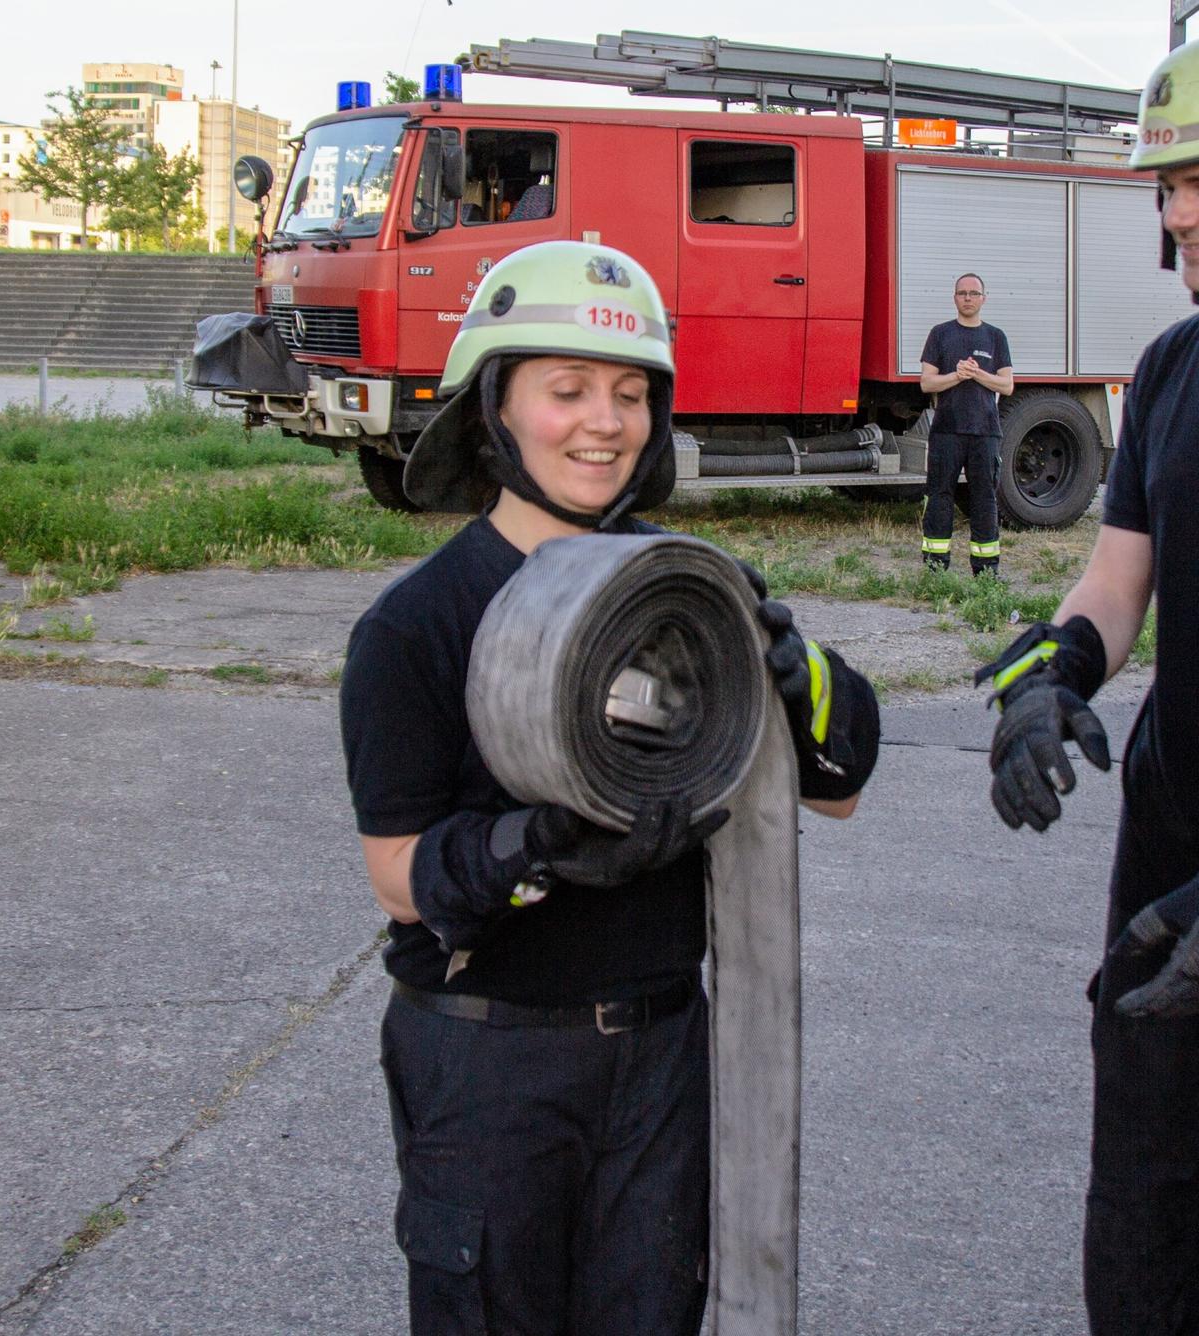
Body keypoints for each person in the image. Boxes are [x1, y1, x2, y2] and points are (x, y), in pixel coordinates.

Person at [338, 241, 879, 1335]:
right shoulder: (415, 625)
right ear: (495, 408)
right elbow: (398, 877)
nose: (605, 422)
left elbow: (836, 791)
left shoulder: (684, 586)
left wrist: (795, 671)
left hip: (661, 1055)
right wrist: (531, 852)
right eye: (568, 389)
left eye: (632, 394)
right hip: (490, 1062)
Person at [977, 37, 1199, 1335]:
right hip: (1164, 891)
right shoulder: (1173, 373)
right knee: (1149, 1239)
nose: (1174, 209)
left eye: (1197, 178)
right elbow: (1119, 580)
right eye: (1168, 182)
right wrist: (1049, 673)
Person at [919, 274, 1015, 576]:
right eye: (962, 293)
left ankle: (986, 570)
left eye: (974, 293)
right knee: (939, 496)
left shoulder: (995, 336)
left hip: (985, 432)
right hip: (947, 430)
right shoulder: (940, 334)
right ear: (954, 298)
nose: (968, 298)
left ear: (984, 298)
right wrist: (956, 376)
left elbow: (1007, 385)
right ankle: (935, 567)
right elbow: (927, 382)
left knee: (984, 498)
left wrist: (977, 374)